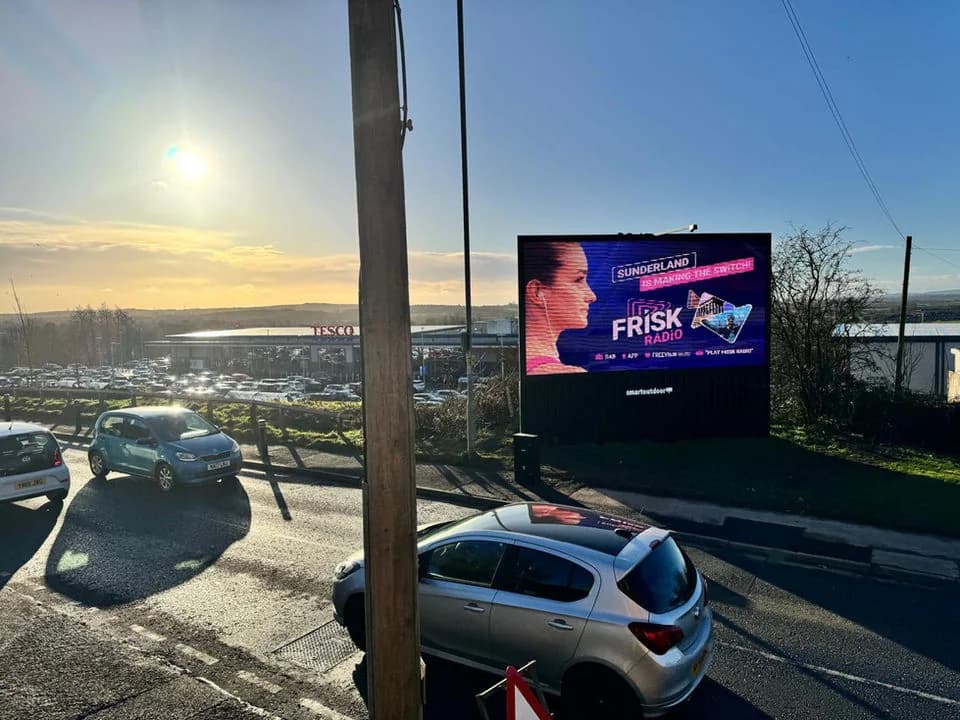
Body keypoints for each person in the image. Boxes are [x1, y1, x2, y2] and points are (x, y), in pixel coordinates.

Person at [523, 241, 597, 375]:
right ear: (537, 292)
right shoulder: (570, 376)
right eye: (578, 279)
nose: (591, 296)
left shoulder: (523, 365)